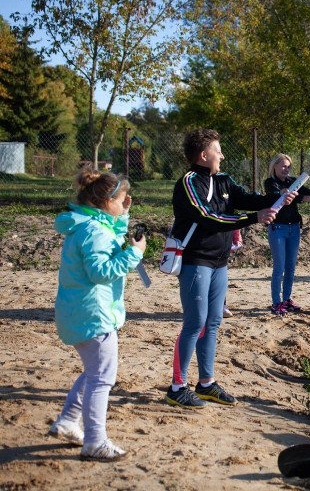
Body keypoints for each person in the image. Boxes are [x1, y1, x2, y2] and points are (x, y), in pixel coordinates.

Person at [165, 128, 296, 409]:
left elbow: (248, 198)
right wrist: (253, 218)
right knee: (194, 322)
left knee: (212, 322)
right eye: (217, 150)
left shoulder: (223, 181)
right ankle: (177, 387)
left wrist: (278, 198)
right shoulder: (188, 183)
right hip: (195, 260)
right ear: (203, 155)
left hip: (219, 262)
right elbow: (208, 217)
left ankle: (206, 383)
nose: (222, 155)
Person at [50, 164, 146, 461]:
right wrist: (134, 254)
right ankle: (95, 440)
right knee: (102, 378)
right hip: (95, 314)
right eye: (120, 200)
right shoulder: (94, 231)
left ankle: (67, 421)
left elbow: (107, 233)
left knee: (94, 372)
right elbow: (101, 270)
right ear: (106, 203)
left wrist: (124, 214)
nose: (123, 204)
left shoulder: (87, 225)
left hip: (81, 311)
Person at [263, 153, 310, 315]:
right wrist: (284, 193)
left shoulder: (292, 182)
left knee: (290, 267)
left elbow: (305, 193)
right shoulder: (270, 183)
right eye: (283, 166)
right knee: (279, 267)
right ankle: (276, 302)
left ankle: (287, 299)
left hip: (294, 228)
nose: (286, 169)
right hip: (277, 228)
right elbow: (274, 194)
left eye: (288, 166)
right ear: (274, 166)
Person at [222, 229, 242, 318]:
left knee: (221, 277)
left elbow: (233, 217)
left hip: (223, 242)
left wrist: (237, 238)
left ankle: (221, 306)